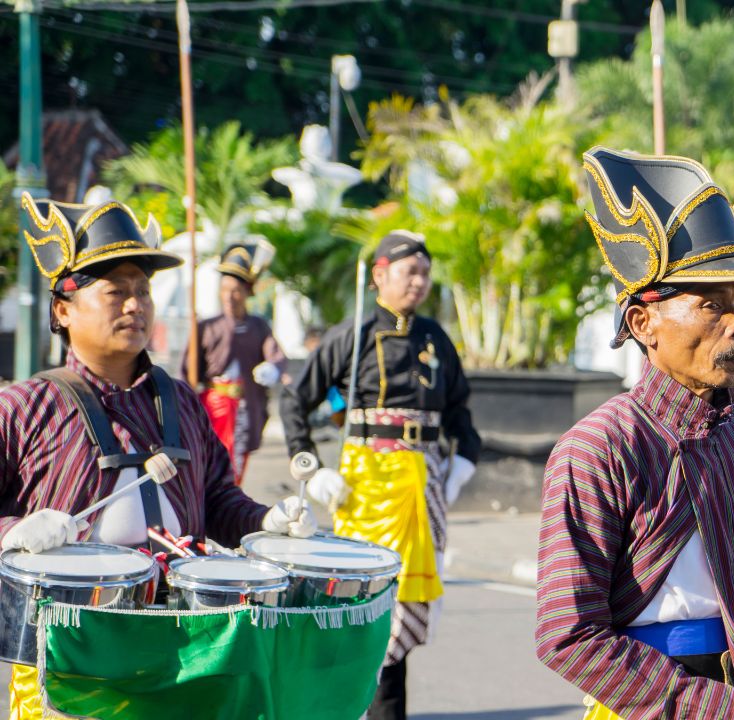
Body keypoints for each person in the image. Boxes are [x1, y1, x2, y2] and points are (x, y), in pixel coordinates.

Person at [535, 147, 734, 720]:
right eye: (710, 304)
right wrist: (720, 709)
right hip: (649, 702)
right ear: (644, 323)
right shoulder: (599, 447)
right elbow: (567, 632)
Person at [0, 193, 316, 719]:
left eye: (142, 291)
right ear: (62, 307)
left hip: (180, 660)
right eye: (116, 291)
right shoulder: (23, 407)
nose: (135, 305)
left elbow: (218, 499)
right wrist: (13, 531)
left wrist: (267, 521)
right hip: (67, 670)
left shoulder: (181, 402)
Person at [279, 230, 482, 720]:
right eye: (410, 271)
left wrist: (463, 462)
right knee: (369, 612)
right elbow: (295, 400)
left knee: (406, 615)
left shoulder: (434, 337)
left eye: (425, 273)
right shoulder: (353, 334)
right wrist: (313, 466)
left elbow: (459, 410)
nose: (419, 281)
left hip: (424, 483)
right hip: (366, 485)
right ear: (379, 275)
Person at [185, 242, 287, 485]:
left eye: (236, 290)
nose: (230, 296)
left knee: (234, 468)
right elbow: (187, 373)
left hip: (243, 407)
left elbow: (276, 355)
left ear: (248, 292)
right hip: (212, 408)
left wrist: (273, 368)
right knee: (208, 465)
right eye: (225, 289)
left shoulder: (258, 326)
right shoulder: (206, 327)